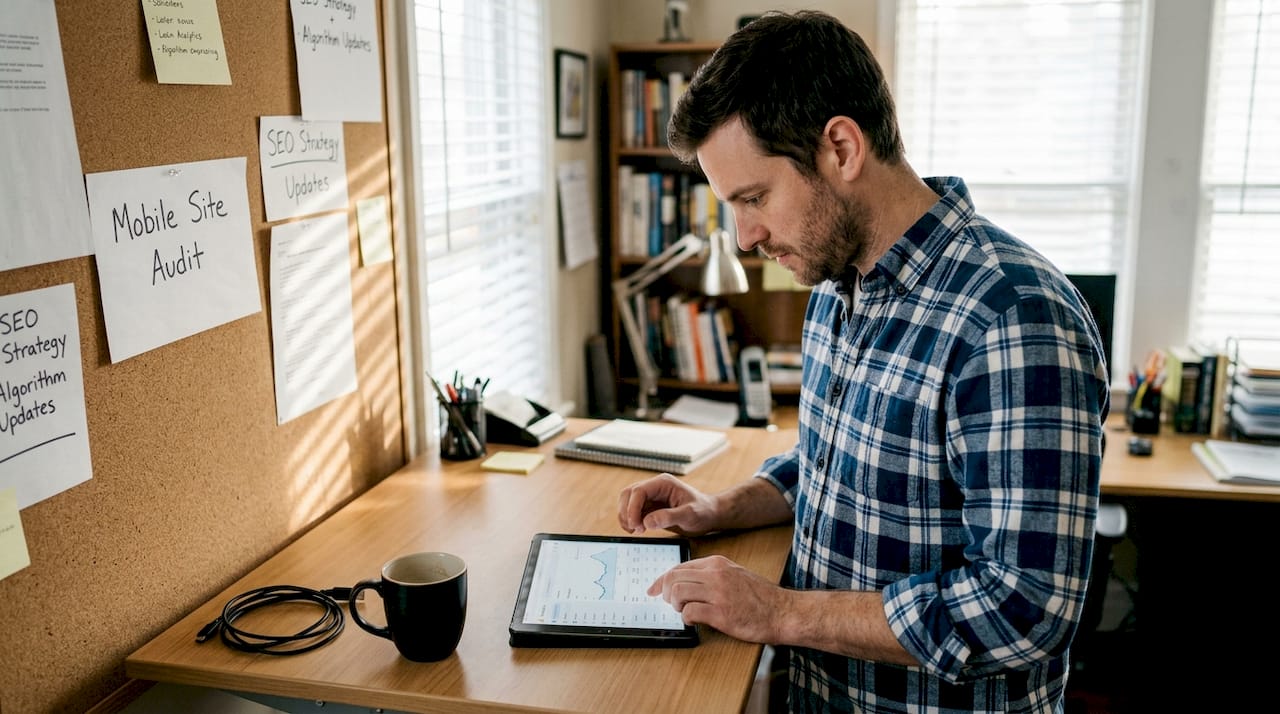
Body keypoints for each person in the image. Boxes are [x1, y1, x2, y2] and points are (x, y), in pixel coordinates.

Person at [616, 10, 1109, 713]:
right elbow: (830, 465)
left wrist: (778, 613)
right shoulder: (837, 279)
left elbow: (1023, 611)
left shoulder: (1012, 320)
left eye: (754, 198)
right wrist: (720, 508)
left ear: (841, 148)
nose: (746, 236)